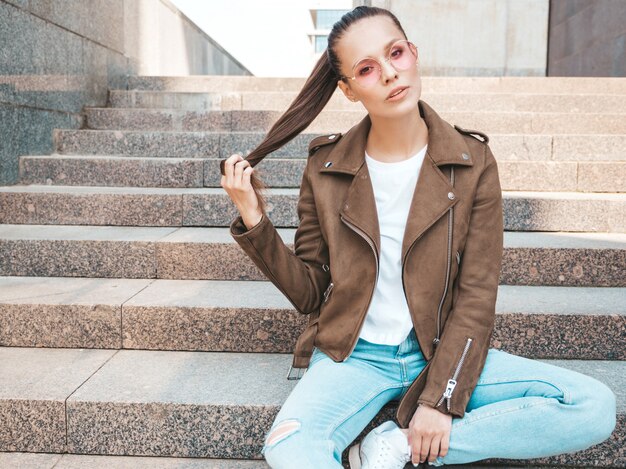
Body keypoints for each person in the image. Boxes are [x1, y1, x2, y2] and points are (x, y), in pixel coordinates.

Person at [219, 6, 617, 468]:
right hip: (353, 357)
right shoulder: (325, 168)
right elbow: (310, 291)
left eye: (396, 53)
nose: (390, 73)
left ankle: (397, 447)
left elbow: (476, 295)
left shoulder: (472, 162)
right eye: (367, 68)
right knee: (289, 445)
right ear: (347, 89)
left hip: (440, 349)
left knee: (592, 406)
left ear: (414, 53)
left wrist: (440, 399)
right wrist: (254, 219)